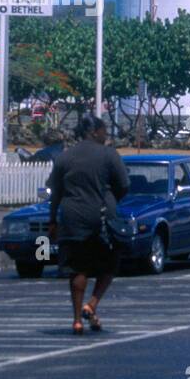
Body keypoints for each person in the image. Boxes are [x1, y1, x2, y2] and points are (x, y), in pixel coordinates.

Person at [47, 114, 130, 335]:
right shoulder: (108, 154)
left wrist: (52, 220)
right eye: (104, 131)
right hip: (101, 217)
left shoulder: (64, 157)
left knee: (77, 268)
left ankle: (76, 320)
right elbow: (124, 184)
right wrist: (111, 200)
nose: (106, 135)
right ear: (94, 132)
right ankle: (92, 303)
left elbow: (55, 193)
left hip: (72, 217)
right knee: (110, 264)